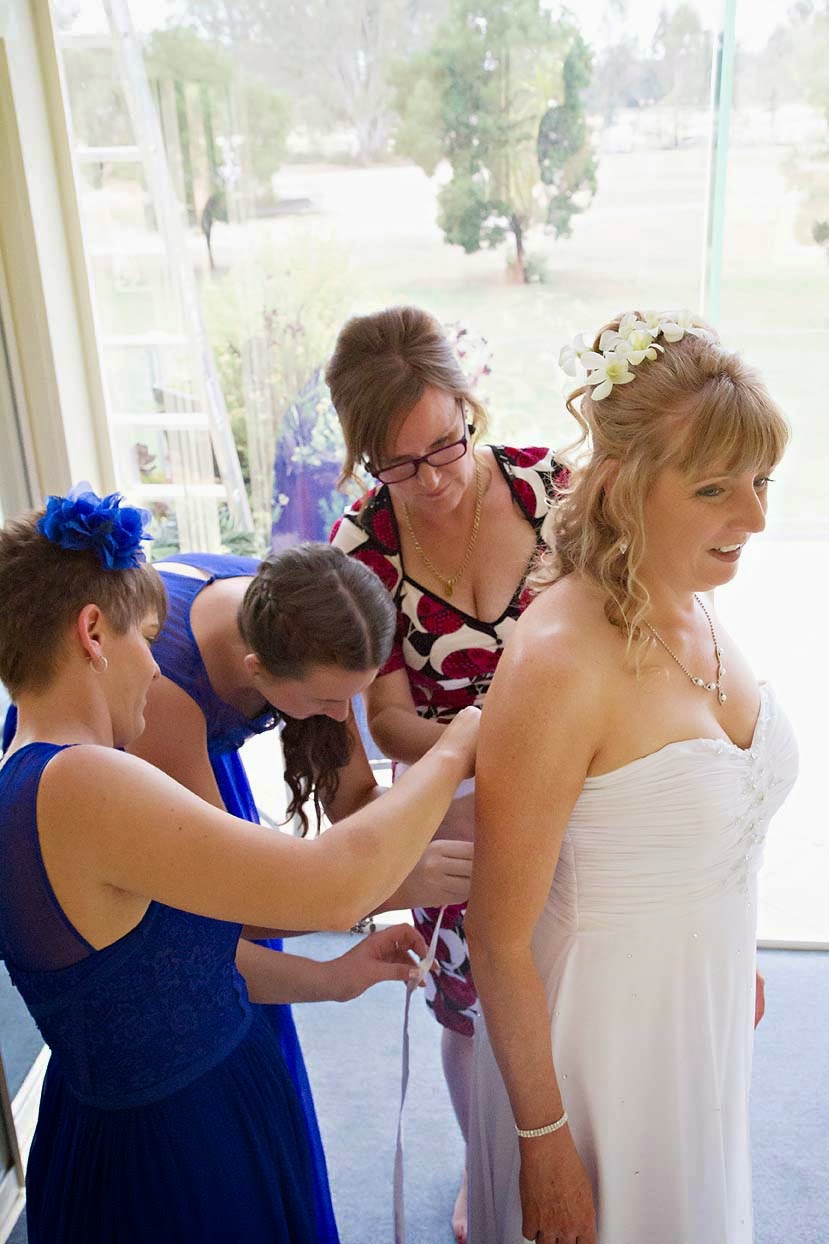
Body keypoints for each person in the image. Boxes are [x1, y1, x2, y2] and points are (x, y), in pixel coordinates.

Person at [0, 486, 479, 1244]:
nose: (155, 668)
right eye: (146, 639)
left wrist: (331, 978)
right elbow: (327, 889)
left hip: (174, 1107)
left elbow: (177, 961)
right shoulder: (85, 782)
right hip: (175, 1146)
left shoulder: (39, 778)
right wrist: (457, 746)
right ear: (92, 633)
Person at [464, 310, 798, 1244]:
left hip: (693, 1006)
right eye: (714, 488)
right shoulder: (558, 662)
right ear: (620, 482)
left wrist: (733, 950)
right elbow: (496, 938)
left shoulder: (686, 594)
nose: (754, 518)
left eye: (761, 481)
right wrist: (544, 1143)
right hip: (596, 1041)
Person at [123, 542, 477, 1243]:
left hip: (200, 766)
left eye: (354, 695)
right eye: (326, 701)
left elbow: (357, 805)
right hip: (144, 779)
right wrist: (387, 884)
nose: (344, 715)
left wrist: (469, 814)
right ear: (258, 670)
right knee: (207, 1003)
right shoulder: (162, 691)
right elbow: (221, 908)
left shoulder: (307, 619)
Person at [327, 304, 568, 1242]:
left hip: (575, 799)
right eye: (396, 464)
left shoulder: (551, 490)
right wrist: (491, 739)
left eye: (444, 445)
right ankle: (482, 1164)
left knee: (567, 993)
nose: (430, 480)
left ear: (471, 406)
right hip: (452, 811)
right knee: (466, 1016)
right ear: (363, 456)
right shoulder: (360, 548)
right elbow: (387, 720)